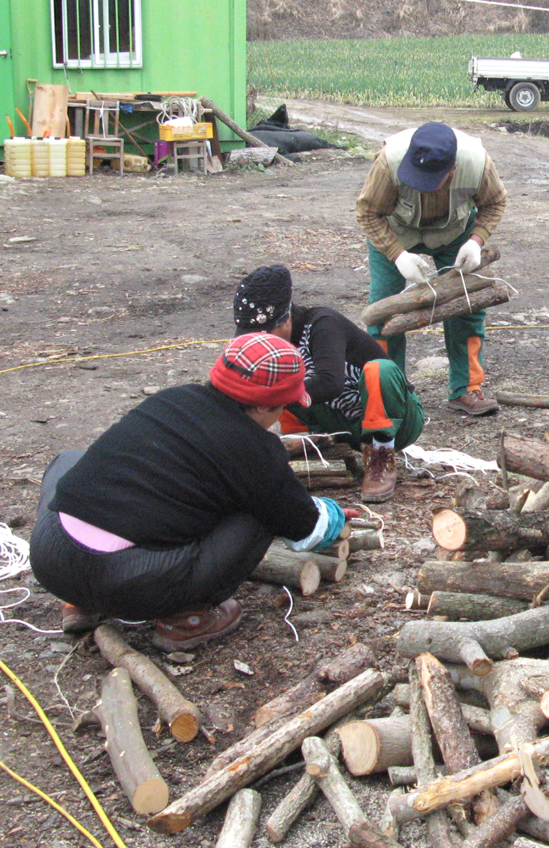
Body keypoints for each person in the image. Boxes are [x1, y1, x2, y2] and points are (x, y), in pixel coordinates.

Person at [29, 333, 361, 650]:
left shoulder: (171, 399)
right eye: (281, 406)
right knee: (262, 511)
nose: (280, 416)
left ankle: (77, 602)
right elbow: (303, 527)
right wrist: (331, 515)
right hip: (130, 583)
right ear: (262, 406)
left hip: (51, 559)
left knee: (69, 460)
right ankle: (185, 619)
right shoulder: (256, 448)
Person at [233, 265, 424, 503]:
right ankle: (302, 447)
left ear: (285, 320)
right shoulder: (274, 348)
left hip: (396, 419)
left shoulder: (323, 323)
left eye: (264, 333)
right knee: (275, 378)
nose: (260, 342)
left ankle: (381, 454)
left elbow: (330, 382)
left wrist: (269, 397)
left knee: (379, 370)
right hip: (342, 425)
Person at [356, 121, 507, 416]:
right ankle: (388, 393)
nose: (419, 184)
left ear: (451, 171)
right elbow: (368, 212)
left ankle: (467, 389)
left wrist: (476, 242)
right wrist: (397, 255)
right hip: (396, 233)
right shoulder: (389, 162)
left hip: (454, 233)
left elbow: (496, 202)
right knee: (383, 309)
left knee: (468, 304)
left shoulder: (477, 163)